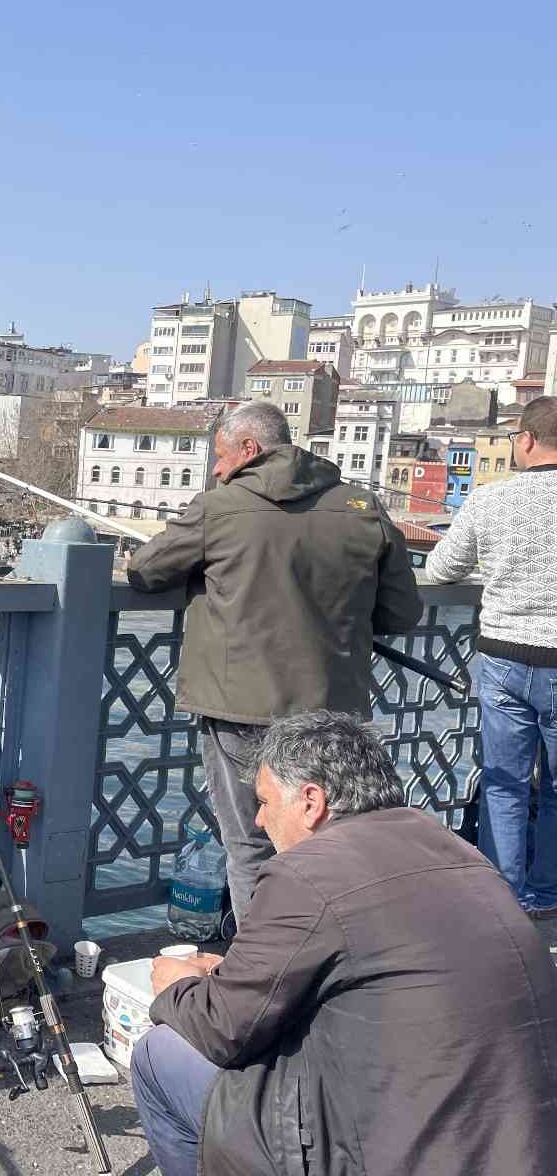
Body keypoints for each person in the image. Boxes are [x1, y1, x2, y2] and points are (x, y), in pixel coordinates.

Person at [132, 709, 557, 1176]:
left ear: (311, 801)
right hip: (524, 1143)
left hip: (399, 1153)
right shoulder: (461, 852)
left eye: (266, 802)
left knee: (162, 1054)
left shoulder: (307, 871)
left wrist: (178, 987)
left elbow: (224, 1030)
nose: (256, 821)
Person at [125, 402, 423, 922]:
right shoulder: (363, 507)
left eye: (220, 457)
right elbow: (401, 612)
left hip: (241, 707)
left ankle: (266, 971)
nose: (216, 470)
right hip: (333, 714)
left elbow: (145, 572)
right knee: (329, 842)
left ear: (250, 449)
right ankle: (332, 959)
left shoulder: (221, 505)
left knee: (251, 845)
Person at [425, 395, 557, 914]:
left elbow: (439, 572)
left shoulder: (488, 500)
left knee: (504, 785)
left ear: (525, 440)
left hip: (504, 659)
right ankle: (549, 894)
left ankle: (503, 896)